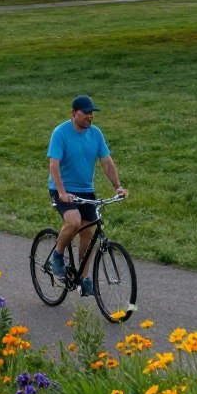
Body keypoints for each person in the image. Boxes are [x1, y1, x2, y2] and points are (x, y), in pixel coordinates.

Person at [47, 95, 128, 296]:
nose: (90, 117)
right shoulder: (61, 133)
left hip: (85, 189)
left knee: (87, 233)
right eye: (85, 113)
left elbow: (106, 162)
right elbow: (53, 165)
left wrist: (118, 187)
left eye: (92, 113)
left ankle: (83, 278)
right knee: (73, 221)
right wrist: (62, 193)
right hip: (62, 188)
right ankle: (57, 256)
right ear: (74, 113)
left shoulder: (96, 134)